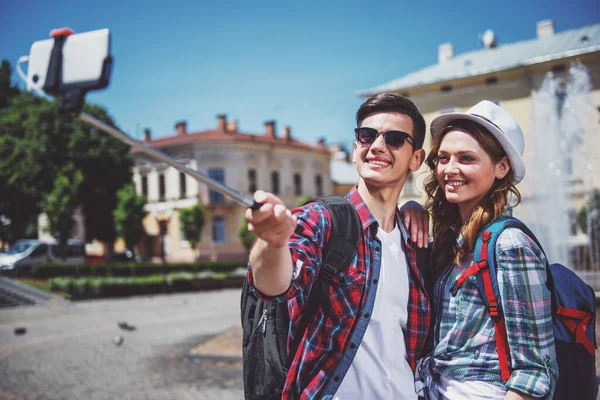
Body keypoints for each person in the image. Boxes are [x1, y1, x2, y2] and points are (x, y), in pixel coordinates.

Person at [245, 93, 431, 399]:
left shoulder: (417, 243)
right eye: (367, 135)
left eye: (395, 139)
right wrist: (272, 242)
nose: (378, 146)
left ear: (416, 159)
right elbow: (275, 286)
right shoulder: (321, 219)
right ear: (356, 146)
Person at [415, 101, 558, 400]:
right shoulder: (452, 238)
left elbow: (534, 372)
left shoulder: (510, 245)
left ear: (502, 167)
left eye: (466, 158)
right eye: (443, 158)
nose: (449, 169)